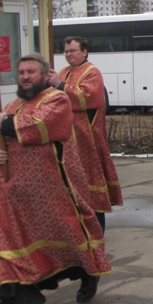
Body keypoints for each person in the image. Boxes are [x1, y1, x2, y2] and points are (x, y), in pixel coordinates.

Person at [0, 54, 111, 304]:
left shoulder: (57, 99)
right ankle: (10, 303)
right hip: (10, 193)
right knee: (3, 241)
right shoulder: (13, 104)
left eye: (31, 72)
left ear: (44, 75)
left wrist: (5, 123)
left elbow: (42, 126)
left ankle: (87, 274)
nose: (25, 77)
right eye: (21, 73)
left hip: (50, 190)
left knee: (67, 236)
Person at [47, 36, 122, 232]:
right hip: (65, 140)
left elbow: (86, 98)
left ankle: (96, 230)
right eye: (66, 51)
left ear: (84, 51)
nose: (68, 54)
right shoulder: (63, 72)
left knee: (89, 185)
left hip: (86, 140)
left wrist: (59, 85)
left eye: (72, 51)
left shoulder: (92, 72)